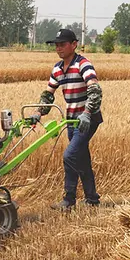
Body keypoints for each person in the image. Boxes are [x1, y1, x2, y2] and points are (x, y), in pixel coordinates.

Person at [34, 29, 103, 210]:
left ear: (74, 45)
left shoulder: (83, 65)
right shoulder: (57, 69)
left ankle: (69, 199)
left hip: (88, 120)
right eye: (56, 45)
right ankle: (92, 199)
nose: (59, 48)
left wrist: (87, 113)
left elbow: (95, 90)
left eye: (62, 44)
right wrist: (38, 114)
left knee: (70, 156)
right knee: (81, 159)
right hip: (71, 121)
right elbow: (48, 95)